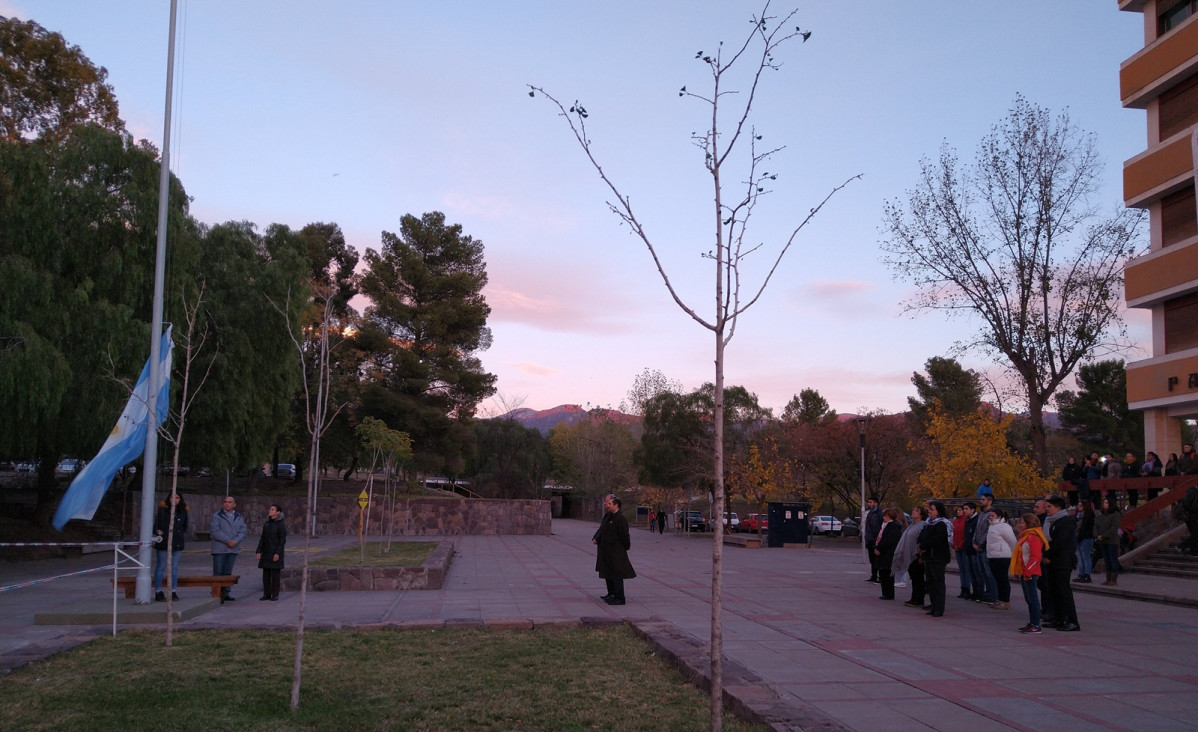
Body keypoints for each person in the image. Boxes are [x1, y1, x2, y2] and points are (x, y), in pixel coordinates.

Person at [1042, 496, 1080, 631]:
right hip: (1052, 561)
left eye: (1049, 507)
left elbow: (1060, 543)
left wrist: (1047, 554)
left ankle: (1071, 621)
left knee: (1064, 591)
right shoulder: (1052, 522)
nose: (1046, 509)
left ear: (1058, 508)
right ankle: (1058, 618)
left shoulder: (1066, 522)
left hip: (1062, 562)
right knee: (1054, 591)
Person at [593, 494, 635, 605]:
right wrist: (596, 538)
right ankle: (611, 593)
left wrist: (625, 547)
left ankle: (619, 597)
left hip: (616, 552)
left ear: (616, 505)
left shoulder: (620, 518)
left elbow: (625, 536)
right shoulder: (608, 516)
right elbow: (601, 529)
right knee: (608, 572)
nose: (605, 504)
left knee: (617, 574)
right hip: (606, 551)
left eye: (608, 503)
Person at [1011, 512, 1048, 634]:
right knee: (1028, 599)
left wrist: (1028, 571)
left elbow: (1035, 557)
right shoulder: (1024, 536)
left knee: (1032, 599)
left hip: (1030, 572)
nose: (1020, 525)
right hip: (1024, 571)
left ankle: (1036, 624)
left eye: (1022, 522)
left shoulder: (1034, 537)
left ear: (1028, 523)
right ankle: (1032, 622)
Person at [918, 501, 952, 618]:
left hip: (938, 556)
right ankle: (933, 605)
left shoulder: (941, 524)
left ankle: (939, 608)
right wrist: (920, 545)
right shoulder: (928, 523)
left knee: (938, 583)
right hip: (928, 556)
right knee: (930, 582)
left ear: (938, 511)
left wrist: (924, 546)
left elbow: (937, 540)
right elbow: (921, 536)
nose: (929, 511)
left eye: (932, 509)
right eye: (929, 509)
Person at [211, 496, 247, 601]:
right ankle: (216, 592)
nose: (227, 504)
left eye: (230, 502)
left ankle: (226, 592)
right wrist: (228, 541)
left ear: (234, 504)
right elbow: (215, 531)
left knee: (228, 572)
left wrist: (235, 541)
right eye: (225, 502)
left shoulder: (239, 517)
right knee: (218, 571)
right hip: (220, 548)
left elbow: (242, 530)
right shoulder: (216, 516)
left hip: (233, 549)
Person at [153, 493, 188, 602]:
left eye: (177, 497)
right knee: (161, 566)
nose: (175, 500)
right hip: (164, 542)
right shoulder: (163, 510)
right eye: (172, 497)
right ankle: (158, 591)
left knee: (174, 567)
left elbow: (184, 526)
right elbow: (156, 525)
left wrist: (178, 535)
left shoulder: (183, 511)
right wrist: (158, 531)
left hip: (177, 542)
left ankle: (173, 591)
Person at [895, 506, 927, 608]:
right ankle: (914, 597)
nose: (913, 512)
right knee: (914, 578)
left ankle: (919, 599)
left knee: (918, 578)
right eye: (913, 510)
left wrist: (920, 554)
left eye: (916, 511)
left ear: (921, 515)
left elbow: (920, 540)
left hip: (917, 555)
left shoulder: (922, 525)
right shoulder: (912, 525)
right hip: (909, 555)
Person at [985, 508, 1016, 609]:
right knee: (997, 579)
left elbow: (1012, 541)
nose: (990, 517)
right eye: (990, 515)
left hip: (1003, 556)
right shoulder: (991, 526)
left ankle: (1005, 601)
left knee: (1003, 579)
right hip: (993, 556)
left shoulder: (1004, 526)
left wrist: (1014, 554)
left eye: (992, 515)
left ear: (999, 516)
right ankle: (999, 599)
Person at [256, 504, 287, 601]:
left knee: (275, 575)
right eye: (270, 509)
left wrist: (277, 553)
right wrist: (259, 551)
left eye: (273, 509)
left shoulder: (281, 524)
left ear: (278, 512)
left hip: (275, 552)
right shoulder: (267, 523)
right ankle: (266, 594)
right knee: (266, 574)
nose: (270, 511)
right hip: (266, 552)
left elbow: (282, 540)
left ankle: (275, 594)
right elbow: (263, 538)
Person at [971, 496, 997, 604]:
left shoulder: (992, 514)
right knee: (981, 572)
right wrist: (974, 542)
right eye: (981, 500)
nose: (981, 502)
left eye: (983, 500)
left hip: (985, 547)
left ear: (989, 501)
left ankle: (993, 595)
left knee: (989, 573)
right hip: (978, 546)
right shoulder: (981, 514)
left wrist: (981, 544)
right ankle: (987, 593)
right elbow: (977, 530)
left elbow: (989, 530)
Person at [874, 508, 903, 600]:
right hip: (885, 553)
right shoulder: (887, 526)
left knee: (887, 573)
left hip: (888, 553)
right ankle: (885, 593)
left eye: (885, 516)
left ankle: (888, 593)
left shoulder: (893, 526)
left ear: (889, 516)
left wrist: (879, 548)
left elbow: (888, 540)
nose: (883, 518)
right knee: (883, 572)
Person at [1096, 496, 1124, 581]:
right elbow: (1096, 525)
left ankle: (1113, 579)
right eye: (1104, 503)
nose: (1104, 505)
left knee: (1112, 559)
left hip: (1111, 541)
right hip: (1103, 541)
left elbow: (1114, 527)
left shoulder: (1115, 514)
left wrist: (1103, 535)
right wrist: (1097, 535)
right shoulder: (1102, 515)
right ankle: (1108, 578)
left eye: (1106, 503)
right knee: (1107, 560)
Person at [952, 505, 972, 599]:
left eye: (960, 510)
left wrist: (960, 545)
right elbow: (954, 534)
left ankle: (967, 588)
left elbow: (965, 535)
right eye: (958, 510)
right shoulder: (956, 521)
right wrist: (954, 544)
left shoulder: (965, 521)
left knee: (966, 569)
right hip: (956, 547)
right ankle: (963, 588)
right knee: (961, 569)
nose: (958, 512)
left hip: (963, 547)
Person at [1074, 500, 1095, 583]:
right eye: (1078, 505)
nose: (1078, 507)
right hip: (1078, 537)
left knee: (1086, 557)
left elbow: (1086, 529)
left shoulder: (1089, 516)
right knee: (1079, 557)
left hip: (1086, 538)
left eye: (1081, 506)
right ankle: (1081, 573)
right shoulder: (1078, 516)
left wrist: (1080, 536)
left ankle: (1087, 574)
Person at [863, 497, 883, 583]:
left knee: (877, 559)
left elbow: (878, 526)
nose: (869, 504)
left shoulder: (879, 513)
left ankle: (880, 576)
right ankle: (874, 575)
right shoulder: (870, 513)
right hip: (870, 539)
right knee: (872, 559)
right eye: (869, 502)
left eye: (871, 502)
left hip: (876, 539)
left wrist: (877, 538)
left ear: (876, 503)